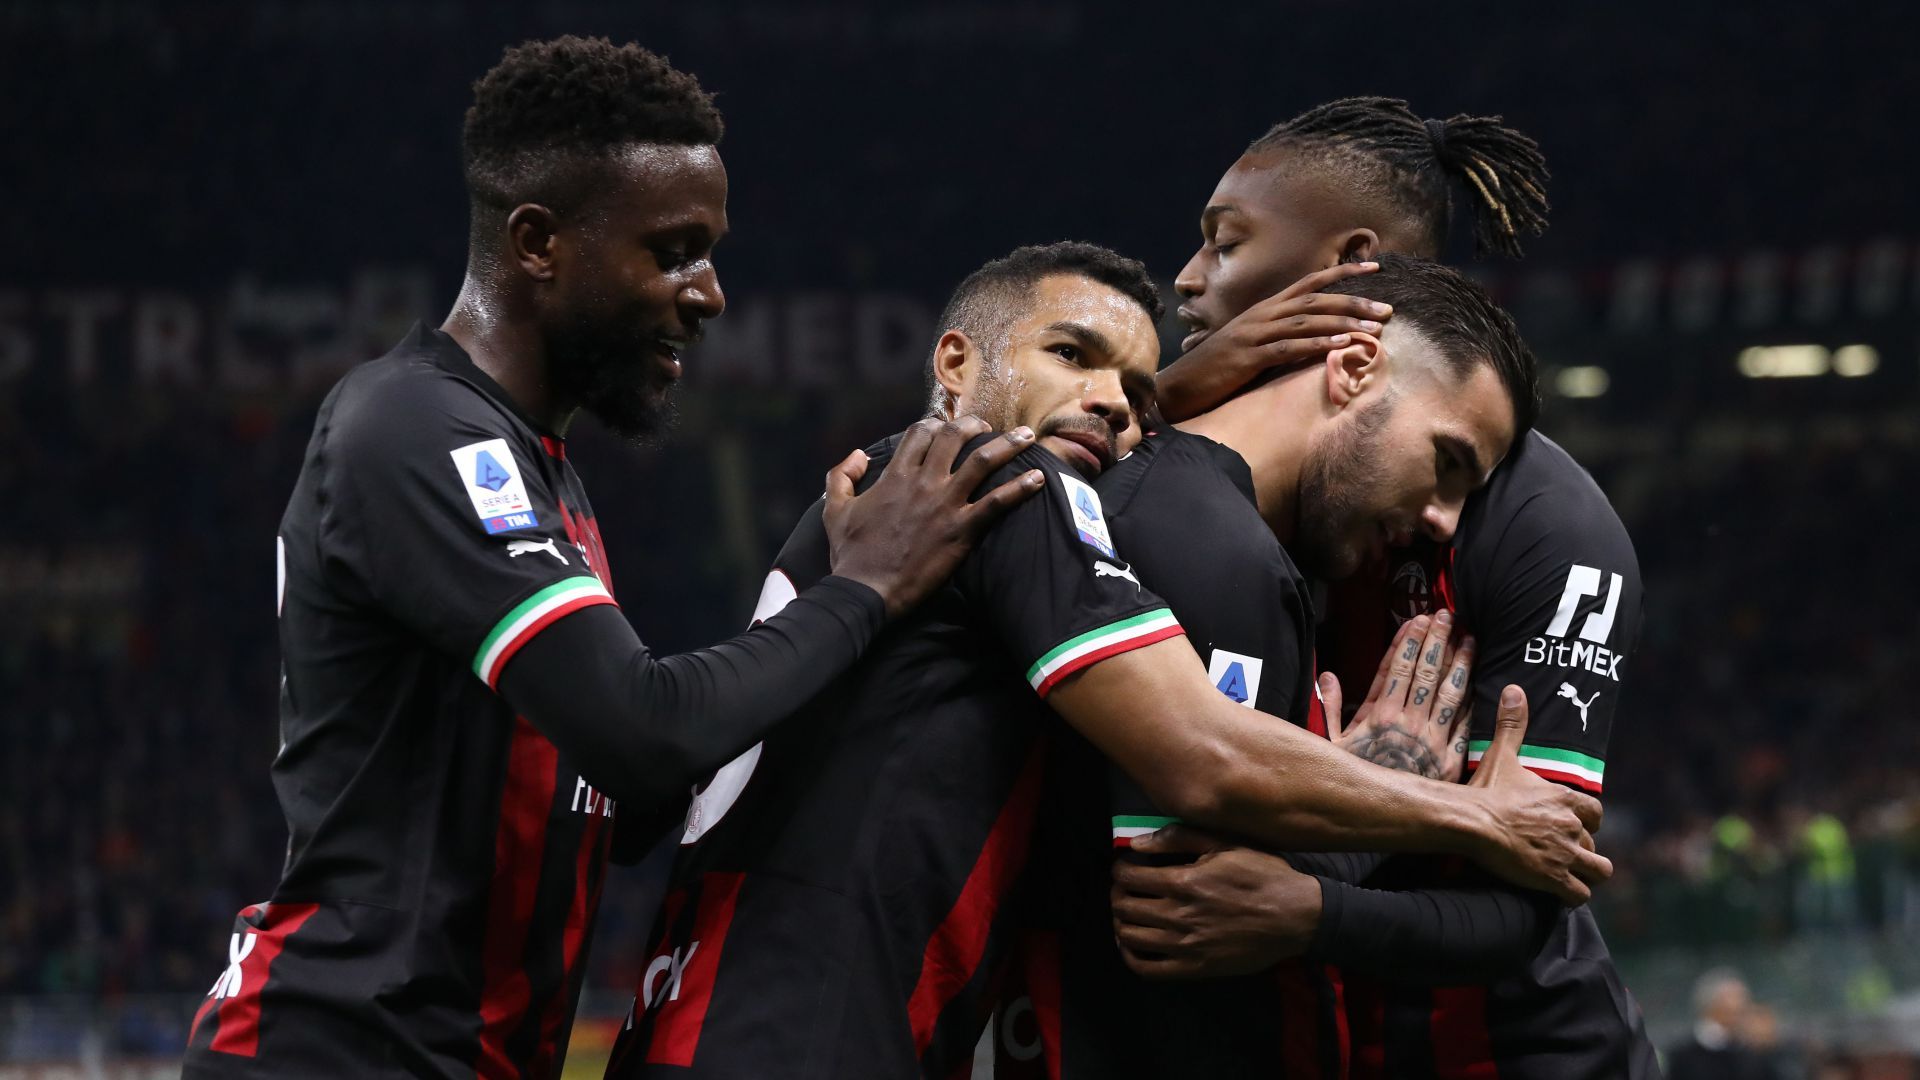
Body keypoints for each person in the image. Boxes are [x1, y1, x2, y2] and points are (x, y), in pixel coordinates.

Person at [179, 37, 1045, 1080]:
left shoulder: (538, 470)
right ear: (537, 243)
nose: (710, 291)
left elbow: (623, 801)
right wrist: (861, 587)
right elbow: (641, 732)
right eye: (674, 249)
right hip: (337, 1052)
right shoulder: (415, 427)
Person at [609, 243, 1603, 1079]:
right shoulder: (1010, 484)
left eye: (1134, 390)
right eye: (1071, 354)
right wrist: (1470, 810)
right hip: (807, 1039)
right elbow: (1196, 755)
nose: (1113, 407)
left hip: (689, 1015)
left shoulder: (895, 494)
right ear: (954, 362)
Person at [1106, 97, 1658, 1077]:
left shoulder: (1541, 525)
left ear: (1345, 272)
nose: (1188, 280)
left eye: (1225, 244)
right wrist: (1176, 390)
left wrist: (1312, 903)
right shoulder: (1200, 469)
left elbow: (1531, 893)